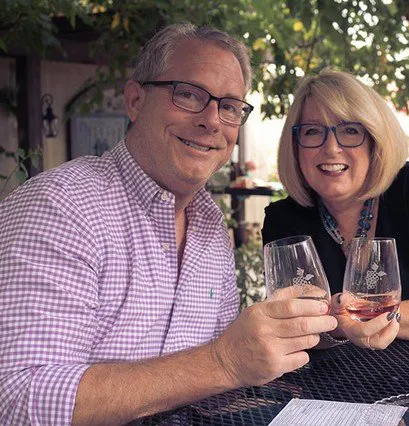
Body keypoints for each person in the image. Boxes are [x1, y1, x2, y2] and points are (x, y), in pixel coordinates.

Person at [0, 24, 337, 425]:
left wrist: (268, 343)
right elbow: (17, 397)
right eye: (189, 94)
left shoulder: (210, 224)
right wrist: (224, 362)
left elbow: (217, 367)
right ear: (135, 100)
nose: (212, 121)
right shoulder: (61, 206)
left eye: (229, 106)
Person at [262, 69, 409, 349]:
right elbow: (287, 329)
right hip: (331, 384)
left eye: (350, 131)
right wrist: (336, 326)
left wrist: (364, 314)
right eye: (312, 131)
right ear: (295, 146)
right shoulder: (283, 220)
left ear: (374, 141)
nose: (331, 148)